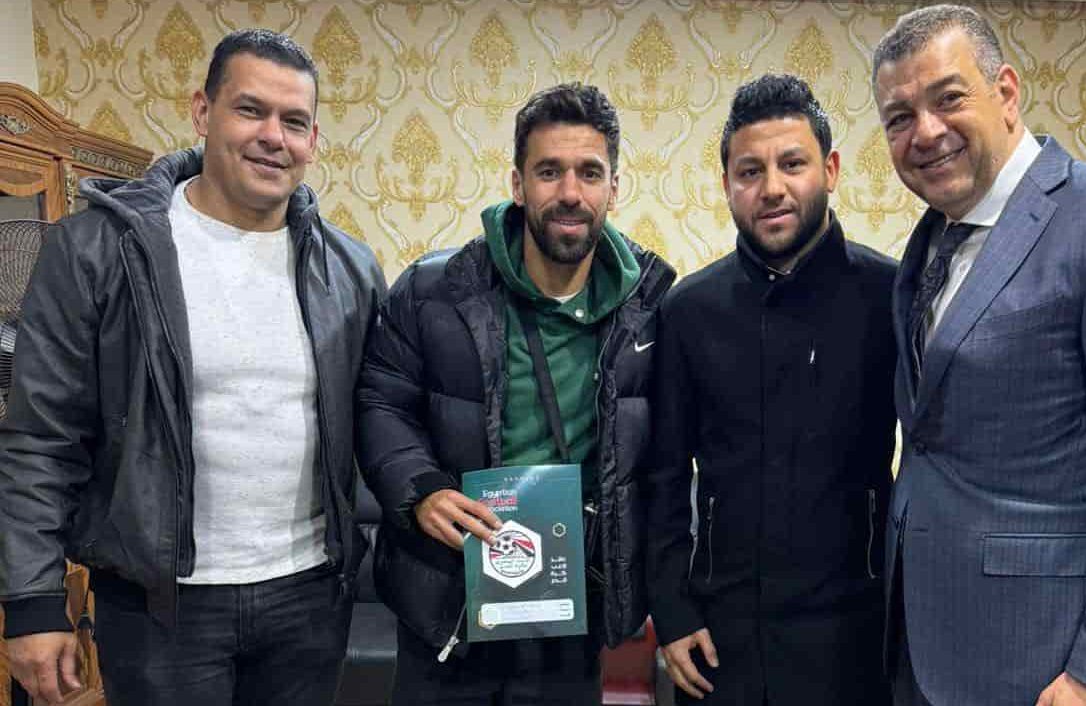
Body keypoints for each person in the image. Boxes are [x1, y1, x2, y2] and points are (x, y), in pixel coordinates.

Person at [0, 28, 385, 706]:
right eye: (250, 110)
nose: (273, 136)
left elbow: (384, 412)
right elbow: (40, 434)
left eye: (294, 121)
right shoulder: (99, 249)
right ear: (203, 112)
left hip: (310, 599)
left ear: (314, 140)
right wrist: (32, 599)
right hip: (160, 608)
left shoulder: (348, 268)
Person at [872, 5, 1086, 705]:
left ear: (1007, 92)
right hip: (921, 647)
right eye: (899, 118)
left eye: (948, 98)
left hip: (1049, 664)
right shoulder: (930, 241)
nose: (924, 132)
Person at [355, 82, 674, 705]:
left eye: (589, 173)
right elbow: (380, 401)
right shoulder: (432, 289)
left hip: (570, 609)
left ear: (614, 188)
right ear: (518, 184)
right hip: (449, 603)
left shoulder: (652, 308)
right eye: (549, 171)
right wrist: (421, 490)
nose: (570, 193)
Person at [645, 73, 896, 705]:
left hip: (856, 636)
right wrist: (672, 612)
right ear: (726, 184)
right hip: (719, 643)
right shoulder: (689, 310)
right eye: (750, 171)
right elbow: (663, 477)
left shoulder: (890, 296)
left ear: (830, 170)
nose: (772, 188)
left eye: (792, 164)